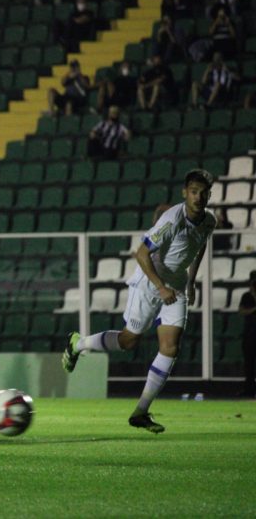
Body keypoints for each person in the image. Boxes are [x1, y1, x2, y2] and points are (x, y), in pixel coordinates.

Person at [63, 169, 217, 433]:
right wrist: (160, 287)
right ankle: (78, 344)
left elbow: (200, 243)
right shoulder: (171, 220)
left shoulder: (209, 221)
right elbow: (142, 253)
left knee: (170, 347)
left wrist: (191, 281)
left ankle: (141, 411)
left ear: (209, 195)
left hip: (177, 285)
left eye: (203, 193)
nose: (198, 197)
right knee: (128, 341)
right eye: (193, 191)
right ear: (184, 193)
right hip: (150, 281)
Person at [238, 271, 256, 398]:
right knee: (249, 364)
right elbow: (242, 310)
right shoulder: (246, 296)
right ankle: (249, 390)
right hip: (250, 334)